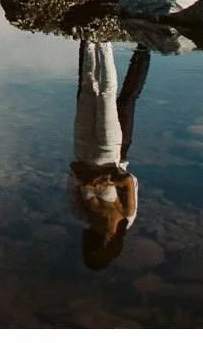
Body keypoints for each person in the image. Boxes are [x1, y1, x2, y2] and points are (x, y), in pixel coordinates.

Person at [68, 39, 150, 269]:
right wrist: (106, 179)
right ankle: (140, 50)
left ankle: (90, 40)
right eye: (104, 243)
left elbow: (71, 174)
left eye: (97, 242)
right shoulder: (125, 217)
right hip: (116, 156)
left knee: (89, 92)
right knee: (124, 102)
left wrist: (87, 179)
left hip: (88, 151)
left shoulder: (81, 214)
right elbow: (131, 181)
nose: (102, 238)